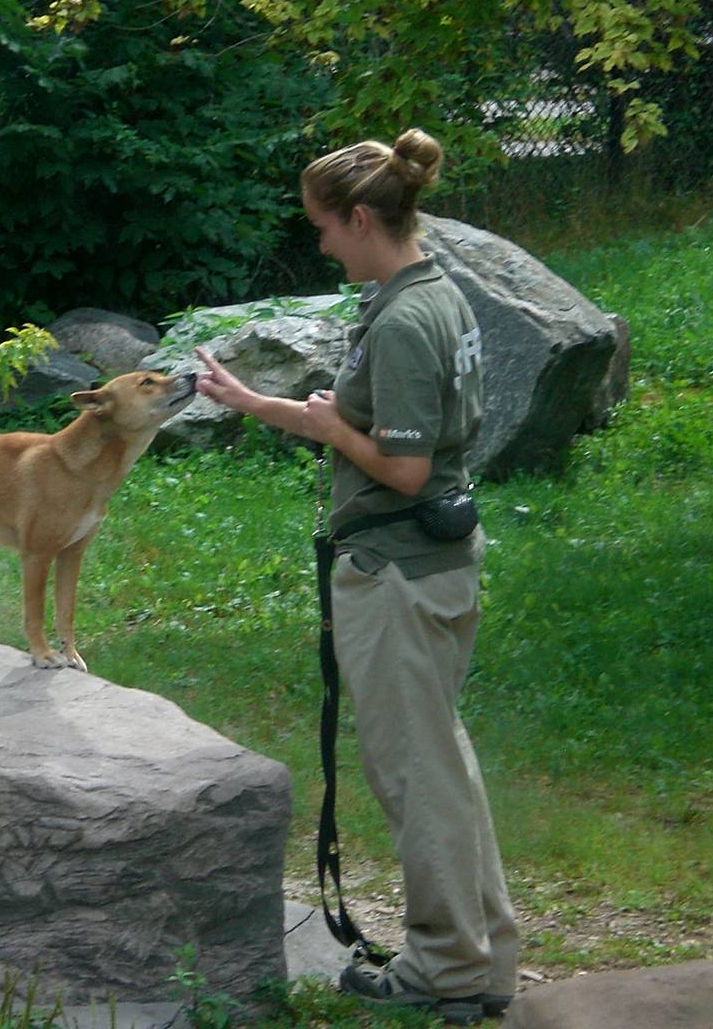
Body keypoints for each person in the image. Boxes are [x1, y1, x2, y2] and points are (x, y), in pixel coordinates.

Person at [193, 129, 517, 1026]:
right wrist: (257, 405)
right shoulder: (430, 291)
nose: (322, 244)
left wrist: (336, 431)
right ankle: (484, 960)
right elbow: (372, 425)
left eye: (325, 228)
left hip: (400, 574)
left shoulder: (409, 319)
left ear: (363, 217)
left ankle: (446, 971)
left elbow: (402, 468)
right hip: (430, 563)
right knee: (441, 765)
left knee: (417, 776)